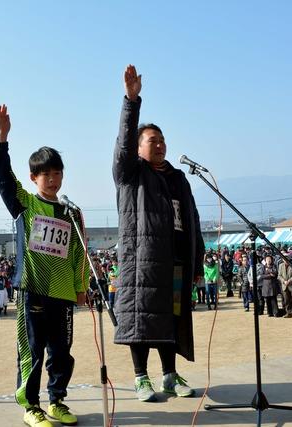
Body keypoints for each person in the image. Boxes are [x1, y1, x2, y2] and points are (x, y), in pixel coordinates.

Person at [112, 65, 205, 403]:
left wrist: (197, 262)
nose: (161, 145)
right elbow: (123, 144)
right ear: (138, 148)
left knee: (171, 317)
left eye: (163, 140)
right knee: (140, 319)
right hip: (142, 262)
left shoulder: (179, 178)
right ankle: (141, 378)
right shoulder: (130, 175)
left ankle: (169, 375)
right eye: (153, 141)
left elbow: (192, 220)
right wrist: (131, 101)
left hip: (176, 260)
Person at [0, 103, 89, 427]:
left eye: (57, 172)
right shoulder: (26, 203)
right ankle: (30, 406)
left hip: (62, 293)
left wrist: (81, 287)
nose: (53, 178)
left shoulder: (71, 212)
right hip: (33, 290)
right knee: (32, 352)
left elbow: (79, 252)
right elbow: (4, 180)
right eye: (46, 173)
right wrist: (2, 139)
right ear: (34, 177)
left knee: (62, 352)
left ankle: (57, 400)